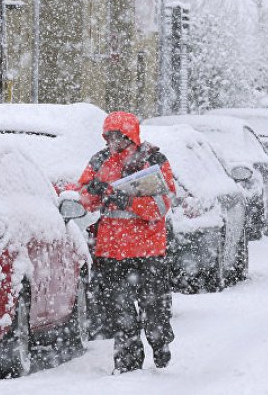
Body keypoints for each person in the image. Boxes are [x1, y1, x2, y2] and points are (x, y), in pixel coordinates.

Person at [78, 111, 177, 373]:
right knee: (120, 312)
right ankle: (127, 363)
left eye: (118, 137)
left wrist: (130, 202)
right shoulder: (100, 161)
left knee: (154, 307)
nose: (113, 142)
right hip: (111, 250)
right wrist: (93, 191)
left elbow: (162, 204)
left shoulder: (153, 160)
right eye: (109, 137)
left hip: (148, 249)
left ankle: (159, 342)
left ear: (130, 136)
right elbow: (82, 198)